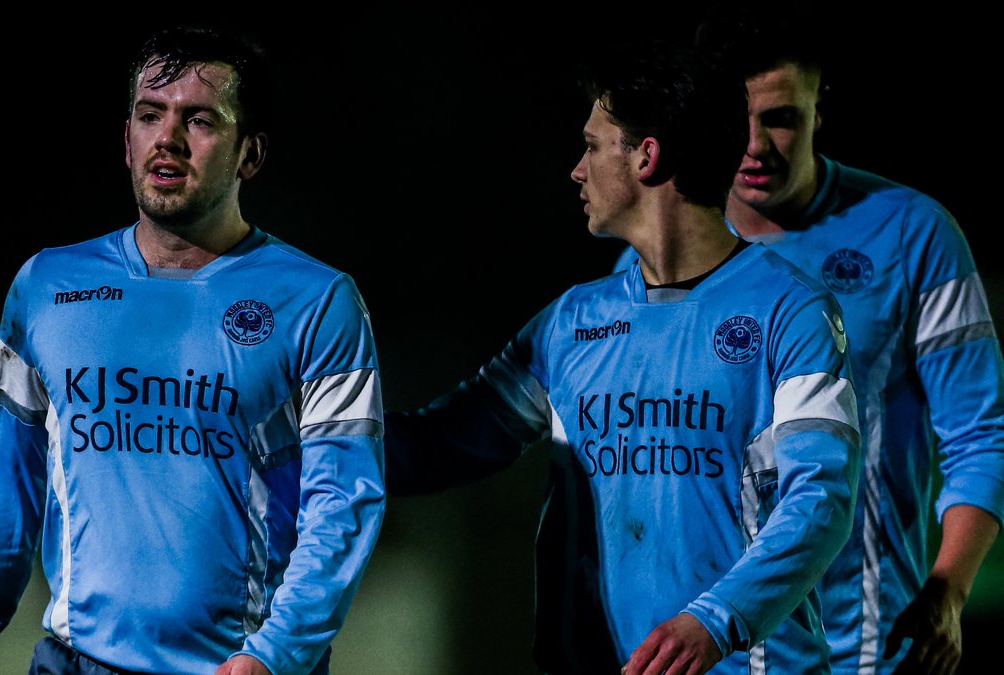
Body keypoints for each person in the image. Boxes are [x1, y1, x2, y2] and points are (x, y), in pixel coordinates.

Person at [386, 40, 860, 673]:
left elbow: (819, 501)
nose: (576, 170)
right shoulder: (569, 322)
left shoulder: (792, 311)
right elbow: (441, 444)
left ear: (646, 155)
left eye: (590, 145)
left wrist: (714, 622)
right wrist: (299, 437)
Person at [0, 25, 386, 675]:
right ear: (126, 139)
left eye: (198, 119)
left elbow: (343, 503)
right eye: (151, 115)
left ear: (250, 153)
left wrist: (273, 654)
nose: (167, 138)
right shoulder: (46, 287)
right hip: (74, 663)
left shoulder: (319, 301)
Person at [599, 4, 1004, 673]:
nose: (756, 144)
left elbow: (980, 437)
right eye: (740, 120)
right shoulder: (648, 261)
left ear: (820, 110)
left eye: (781, 118)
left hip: (868, 647)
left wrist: (949, 591)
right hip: (699, 653)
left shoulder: (916, 235)